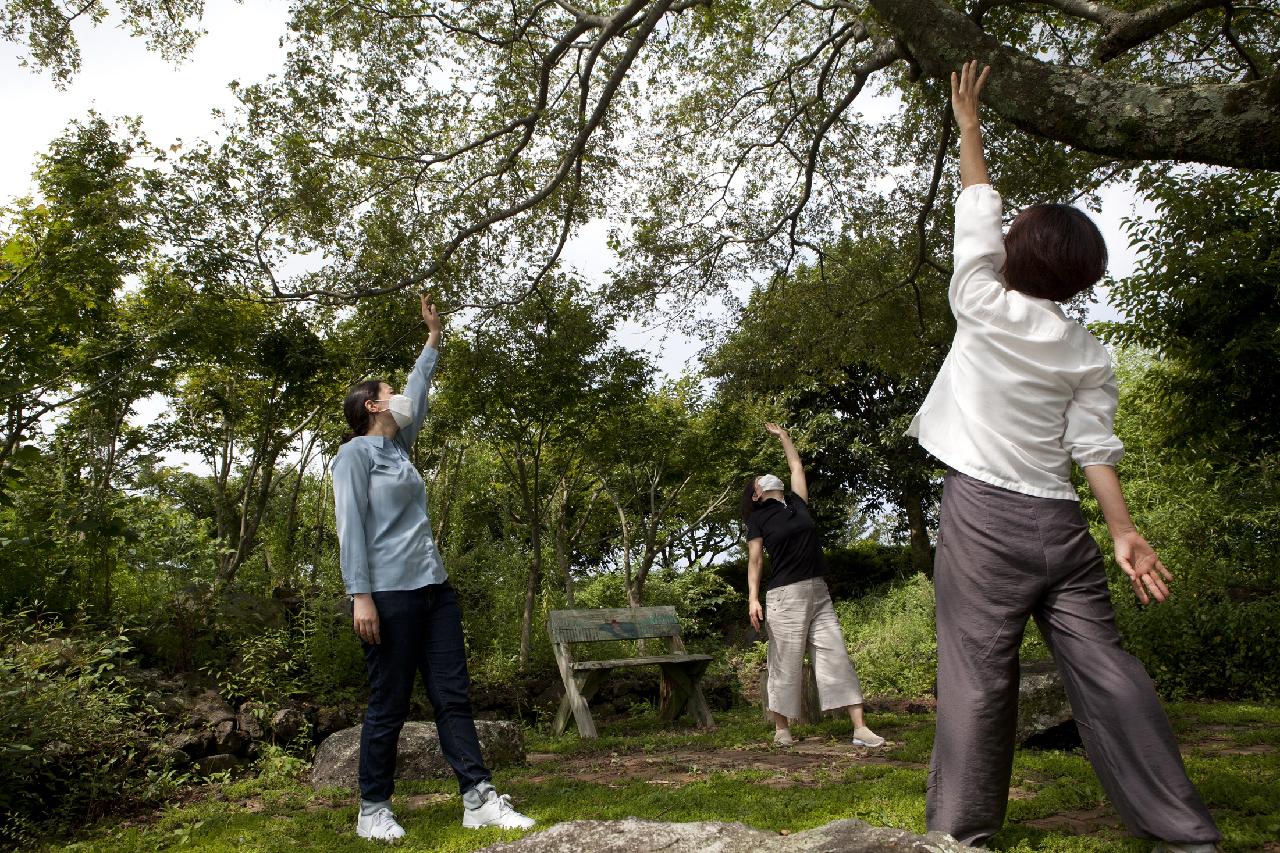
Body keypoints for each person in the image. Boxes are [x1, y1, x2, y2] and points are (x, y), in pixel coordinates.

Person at [906, 60, 1222, 852]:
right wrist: (1123, 532)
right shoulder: (1089, 353)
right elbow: (1094, 449)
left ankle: (961, 837)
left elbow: (978, 210)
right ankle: (1185, 836)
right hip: (1061, 523)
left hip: (984, 517)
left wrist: (970, 129)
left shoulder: (981, 304)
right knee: (1110, 671)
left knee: (979, 676)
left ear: (1018, 256)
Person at [331, 294, 535, 843]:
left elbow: (417, 390)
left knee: (453, 695)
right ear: (372, 407)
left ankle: (478, 798)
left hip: (434, 589)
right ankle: (373, 807)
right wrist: (361, 595)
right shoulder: (353, 457)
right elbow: (351, 526)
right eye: (386, 393)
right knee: (389, 704)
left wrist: (433, 338)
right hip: (388, 595)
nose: (396, 396)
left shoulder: (402, 451)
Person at [745, 422, 885, 749]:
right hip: (784, 597)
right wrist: (753, 599)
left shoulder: (797, 503)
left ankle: (860, 728)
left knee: (836, 655)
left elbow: (796, 465)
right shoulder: (758, 519)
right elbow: (755, 560)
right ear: (757, 494)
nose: (768, 477)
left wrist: (784, 437)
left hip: (818, 592)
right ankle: (782, 729)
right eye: (759, 480)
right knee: (785, 662)